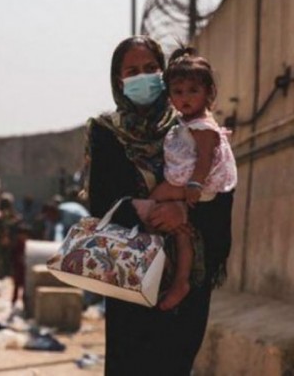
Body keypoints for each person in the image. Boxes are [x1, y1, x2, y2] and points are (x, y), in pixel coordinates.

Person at [84, 35, 233, 376]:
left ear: (164, 73)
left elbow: (222, 187)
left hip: (188, 278)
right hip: (130, 275)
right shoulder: (105, 133)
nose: (143, 77)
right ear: (118, 80)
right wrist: (149, 210)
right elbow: (100, 205)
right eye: (132, 71)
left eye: (151, 68)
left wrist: (184, 211)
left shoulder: (192, 125)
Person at [145, 47, 237, 310]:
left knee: (152, 201)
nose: (185, 98)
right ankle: (181, 281)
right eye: (178, 91)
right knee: (182, 233)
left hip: (196, 184)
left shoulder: (202, 126)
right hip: (190, 183)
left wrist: (194, 184)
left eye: (193, 91)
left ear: (209, 93)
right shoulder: (186, 123)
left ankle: (149, 239)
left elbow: (205, 158)